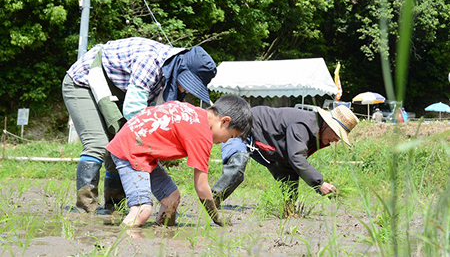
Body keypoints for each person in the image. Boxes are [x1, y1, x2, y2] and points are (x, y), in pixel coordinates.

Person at [62, 37, 217, 213]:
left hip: (118, 93)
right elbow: (134, 112)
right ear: (180, 69)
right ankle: (85, 210)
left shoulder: (170, 79)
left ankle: (113, 209)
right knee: (98, 144)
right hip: (84, 82)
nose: (187, 90)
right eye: (188, 84)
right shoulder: (151, 61)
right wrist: (150, 149)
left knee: (118, 149)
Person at [106, 94, 253, 227]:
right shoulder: (202, 134)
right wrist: (217, 217)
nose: (225, 141)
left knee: (171, 198)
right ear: (225, 122)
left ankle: (162, 235)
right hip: (131, 150)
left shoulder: (196, 114)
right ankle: (120, 243)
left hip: (140, 148)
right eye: (231, 136)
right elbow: (201, 187)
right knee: (142, 210)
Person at [211, 105, 359, 216]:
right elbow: (296, 158)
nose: (336, 140)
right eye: (337, 134)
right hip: (245, 128)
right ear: (327, 124)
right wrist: (319, 183)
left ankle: (289, 209)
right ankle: (211, 200)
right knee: (238, 164)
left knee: (288, 175)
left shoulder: (318, 134)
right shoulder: (304, 125)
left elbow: (292, 163)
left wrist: (318, 188)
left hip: (269, 145)